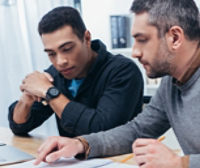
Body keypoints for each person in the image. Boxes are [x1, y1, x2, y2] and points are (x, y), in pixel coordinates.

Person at [34, 0, 200, 168]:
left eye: (142, 39)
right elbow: (137, 130)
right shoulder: (170, 83)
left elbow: (180, 165)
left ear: (175, 37)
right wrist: (82, 144)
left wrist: (180, 166)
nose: (135, 52)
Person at [8, 7, 143, 137]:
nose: (60, 61)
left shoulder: (123, 71)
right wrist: (26, 98)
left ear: (87, 39)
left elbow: (101, 130)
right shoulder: (55, 74)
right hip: (70, 159)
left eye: (67, 49)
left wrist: (50, 92)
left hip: (121, 159)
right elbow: (19, 127)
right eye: (51, 53)